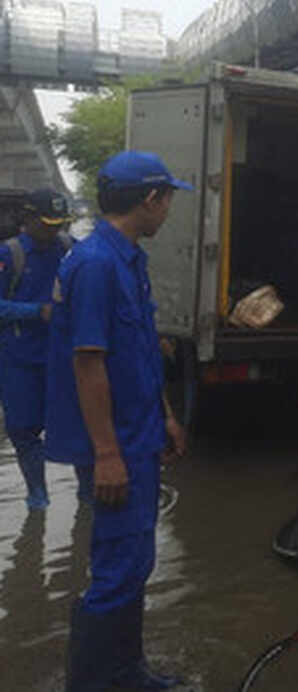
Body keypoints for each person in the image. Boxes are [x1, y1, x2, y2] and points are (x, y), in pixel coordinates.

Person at [45, 151, 192, 691]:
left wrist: (167, 417)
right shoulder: (95, 265)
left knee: (135, 562)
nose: (169, 210)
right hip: (116, 446)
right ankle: (89, 683)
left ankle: (127, 673)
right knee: (116, 570)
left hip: (139, 434)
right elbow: (88, 364)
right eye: (169, 198)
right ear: (151, 200)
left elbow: (140, 354)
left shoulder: (127, 259)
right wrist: (107, 454)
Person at [0, 189, 84, 510]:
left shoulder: (69, 249)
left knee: (78, 426)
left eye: (61, 223)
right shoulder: (9, 256)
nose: (54, 230)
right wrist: (36, 311)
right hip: (19, 360)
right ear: (28, 218)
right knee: (24, 430)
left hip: (64, 357)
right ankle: (38, 498)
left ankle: (87, 498)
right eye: (49, 223)